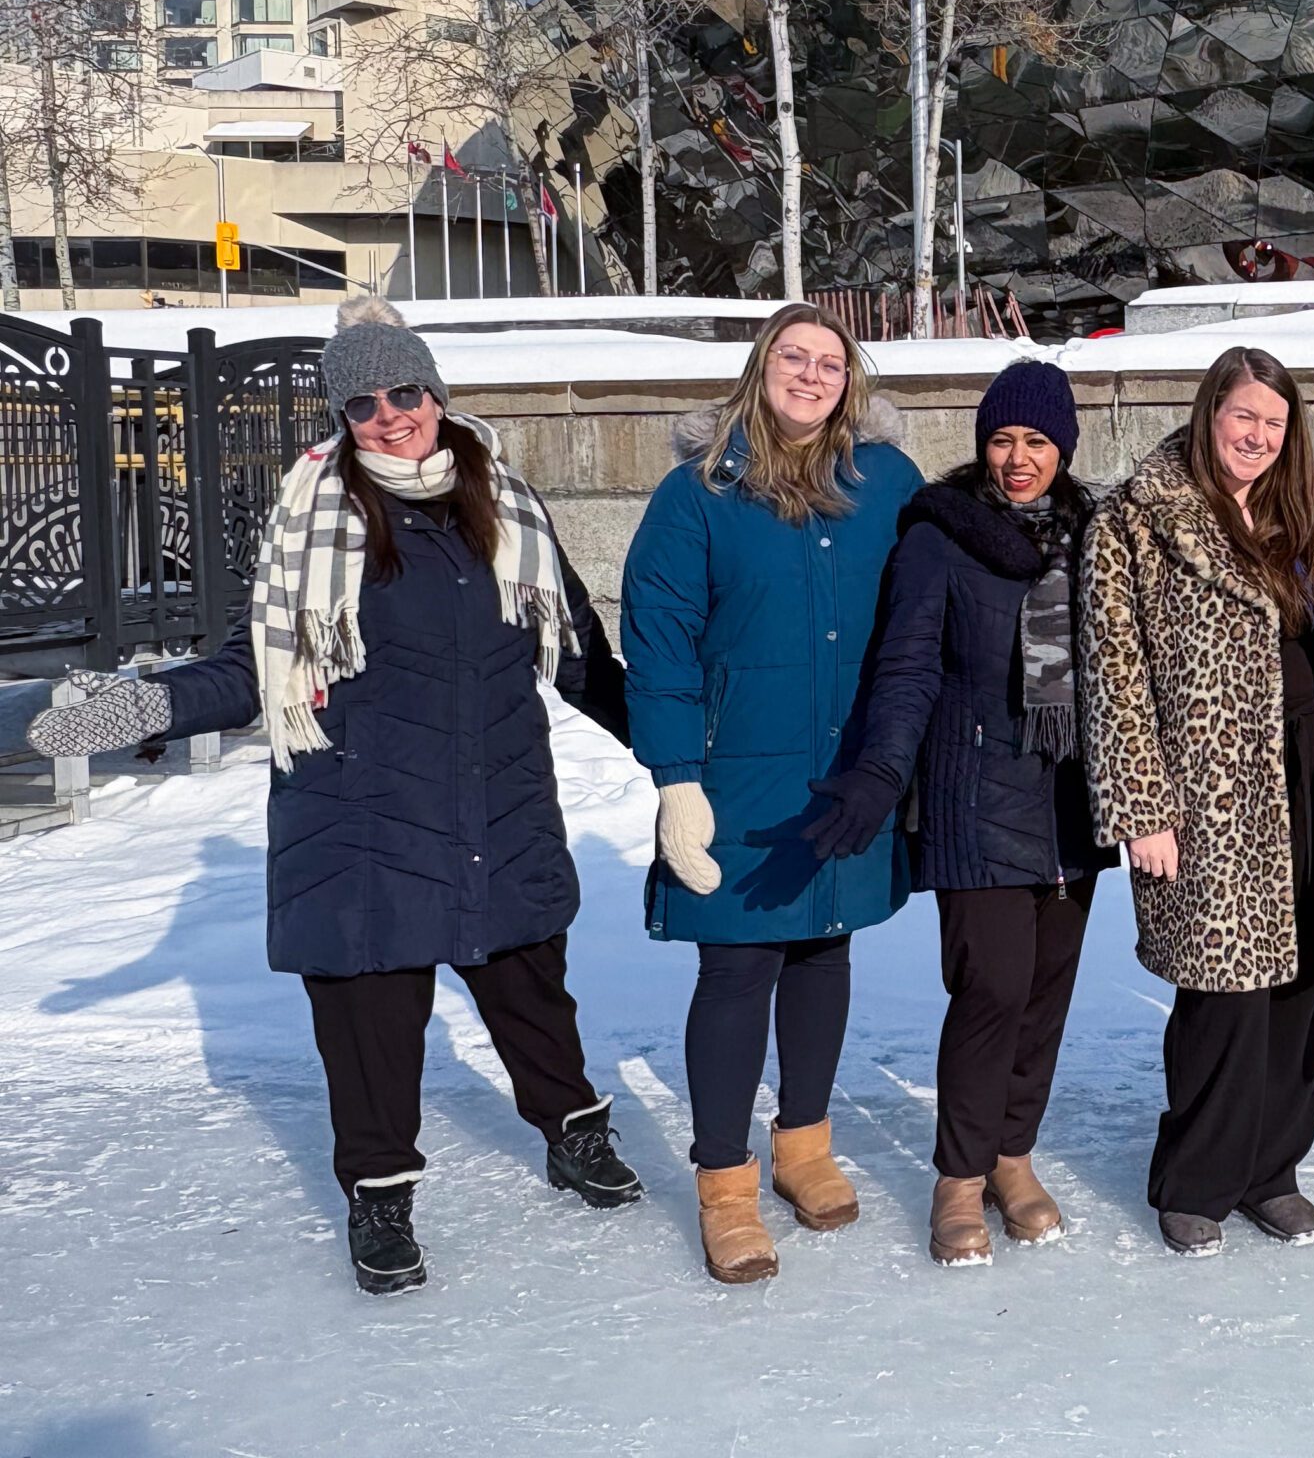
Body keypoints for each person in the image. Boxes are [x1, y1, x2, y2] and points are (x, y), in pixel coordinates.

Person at [29, 295, 641, 1295]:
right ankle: (379, 1191)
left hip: (496, 803)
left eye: (405, 391)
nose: (389, 414)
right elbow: (248, 669)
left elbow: (577, 659)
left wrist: (683, 752)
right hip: (356, 817)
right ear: (340, 417)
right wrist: (137, 710)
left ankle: (572, 1132)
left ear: (436, 394)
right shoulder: (311, 522)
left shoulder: (509, 509)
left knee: (532, 992)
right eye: (362, 402)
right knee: (369, 1020)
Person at [620, 301, 923, 1285]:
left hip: (845, 768)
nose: (808, 374)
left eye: (827, 362)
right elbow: (658, 644)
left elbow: (922, 621)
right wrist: (675, 783)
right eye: (790, 357)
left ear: (851, 381)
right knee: (739, 967)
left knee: (823, 946)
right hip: (739, 774)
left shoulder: (886, 483)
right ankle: (725, 1185)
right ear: (760, 369)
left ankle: (804, 1147)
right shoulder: (697, 493)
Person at [1080, 345, 1314, 1258]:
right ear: (1211, 412)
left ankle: (1271, 1171)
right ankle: (1195, 1179)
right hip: (1209, 795)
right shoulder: (1133, 524)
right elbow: (1114, 674)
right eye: (1242, 415)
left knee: (1304, 986)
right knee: (1223, 993)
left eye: (1273, 423)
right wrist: (1142, 805)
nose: (1256, 435)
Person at [814, 360, 1116, 1266]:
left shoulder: (1092, 537)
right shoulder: (940, 539)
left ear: (1064, 448)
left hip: (1069, 806)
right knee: (992, 992)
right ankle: (958, 1177)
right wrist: (877, 772)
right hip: (975, 797)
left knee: (1045, 998)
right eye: (1002, 439)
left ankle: (1011, 1157)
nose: (1019, 459)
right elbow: (904, 672)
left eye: (1036, 441)